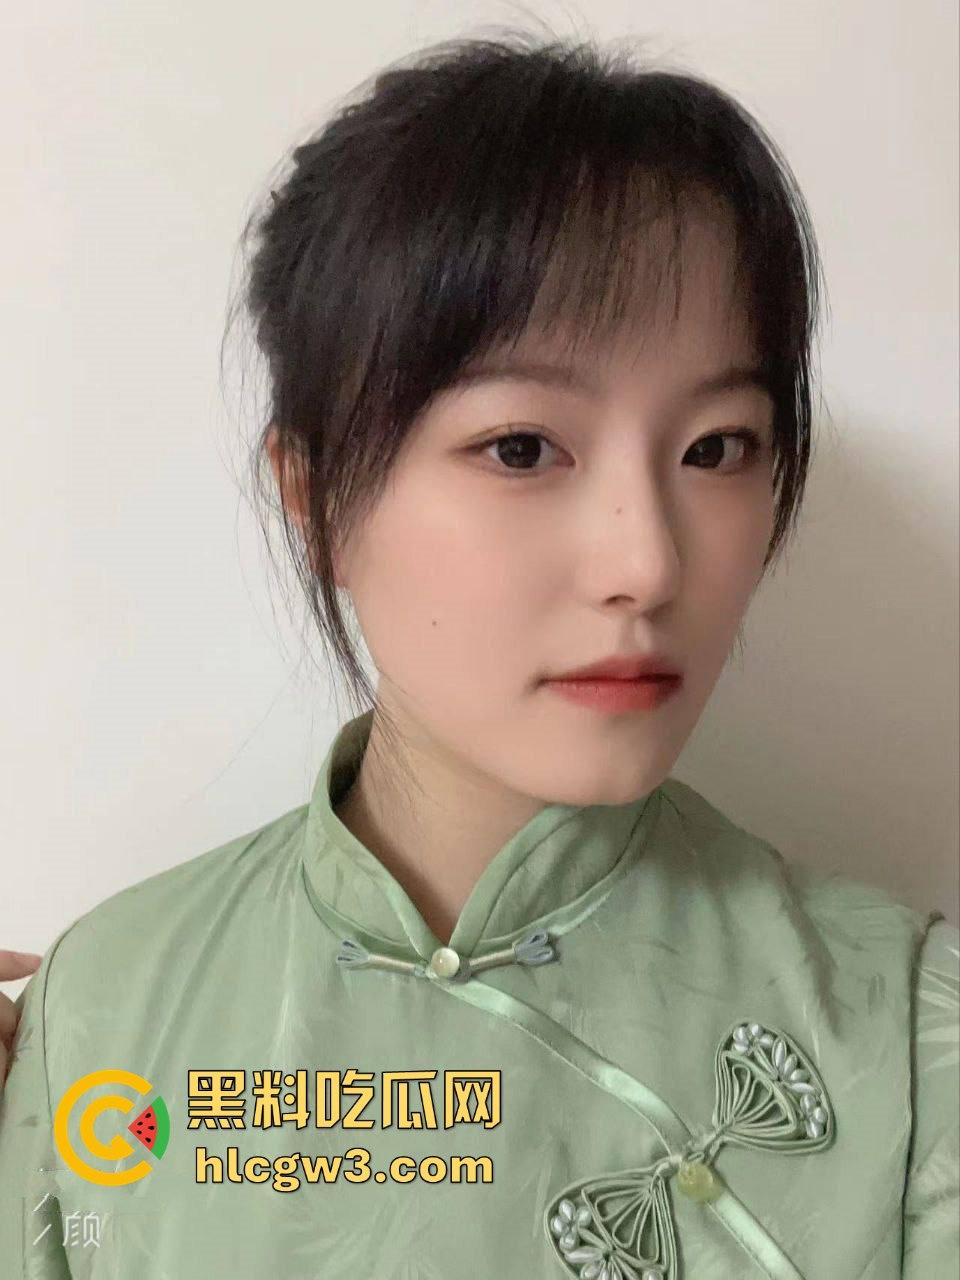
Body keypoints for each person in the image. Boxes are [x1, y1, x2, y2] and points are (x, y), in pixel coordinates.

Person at [1, 27, 956, 1280]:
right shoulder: (107, 1014)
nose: (647, 563)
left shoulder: (910, 1036)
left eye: (717, 446)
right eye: (521, 447)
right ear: (316, 500)